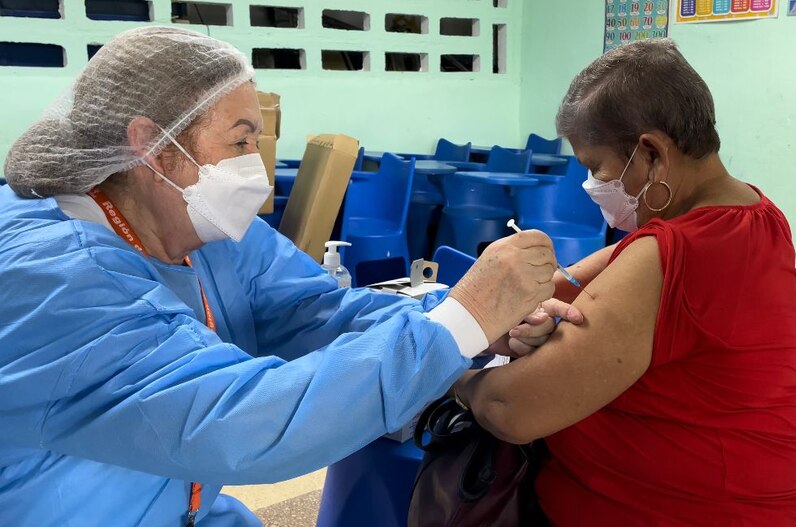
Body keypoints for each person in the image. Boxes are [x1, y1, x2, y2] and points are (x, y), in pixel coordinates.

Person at [0, 27, 575, 526]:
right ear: (153, 146)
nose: (257, 165)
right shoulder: (53, 281)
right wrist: (460, 322)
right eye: (241, 140)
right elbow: (243, 421)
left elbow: (318, 311)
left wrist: (471, 324)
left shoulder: (204, 234)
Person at [453, 38, 796, 525]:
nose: (593, 186)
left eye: (596, 167)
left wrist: (446, 378)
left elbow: (509, 408)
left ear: (651, 154)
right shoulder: (751, 212)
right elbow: (556, 289)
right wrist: (537, 320)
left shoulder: (676, 252)